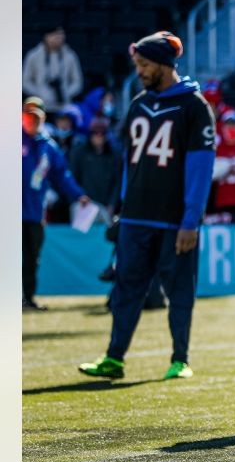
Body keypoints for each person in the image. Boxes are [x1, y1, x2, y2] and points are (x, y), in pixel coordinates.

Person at [77, 32, 216, 381]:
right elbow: (130, 165)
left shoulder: (195, 107)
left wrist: (191, 222)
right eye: (137, 65)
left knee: (180, 290)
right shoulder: (139, 103)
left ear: (164, 65)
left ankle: (180, 359)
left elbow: (201, 170)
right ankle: (114, 358)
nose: (139, 71)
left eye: (144, 64)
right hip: (136, 218)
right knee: (126, 288)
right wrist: (123, 208)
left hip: (174, 222)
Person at [22, 98, 89, 311]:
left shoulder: (48, 147)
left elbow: (62, 176)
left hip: (34, 212)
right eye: (27, 116)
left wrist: (79, 195)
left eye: (36, 117)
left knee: (32, 258)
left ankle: (27, 299)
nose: (31, 121)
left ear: (42, 119)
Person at [68, 117, 123, 218]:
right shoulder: (79, 152)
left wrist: (112, 204)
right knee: (80, 233)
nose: (98, 136)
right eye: (95, 133)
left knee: (104, 233)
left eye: (102, 134)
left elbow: (117, 182)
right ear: (90, 134)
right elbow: (72, 178)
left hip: (106, 206)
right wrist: (79, 197)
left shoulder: (115, 154)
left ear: (106, 135)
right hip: (83, 204)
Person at [23, 27, 83, 112]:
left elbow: (77, 82)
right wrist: (40, 93)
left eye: (62, 35)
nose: (60, 38)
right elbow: (25, 82)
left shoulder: (70, 56)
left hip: (64, 107)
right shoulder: (33, 56)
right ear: (46, 36)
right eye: (56, 35)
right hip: (40, 106)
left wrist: (67, 93)